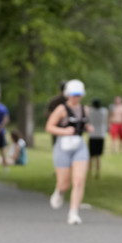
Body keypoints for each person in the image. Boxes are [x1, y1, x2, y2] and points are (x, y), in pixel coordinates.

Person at [45, 79, 92, 224]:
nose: (75, 97)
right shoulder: (61, 109)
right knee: (64, 183)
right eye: (73, 94)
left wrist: (87, 128)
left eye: (78, 95)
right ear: (68, 94)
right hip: (63, 147)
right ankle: (59, 191)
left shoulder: (85, 109)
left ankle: (73, 213)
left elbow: (83, 124)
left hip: (79, 146)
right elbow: (49, 127)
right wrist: (64, 131)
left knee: (79, 180)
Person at [87, 97, 108, 179]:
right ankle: (97, 172)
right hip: (101, 135)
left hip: (92, 135)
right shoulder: (104, 111)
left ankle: (89, 171)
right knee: (98, 156)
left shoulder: (91, 111)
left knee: (91, 155)